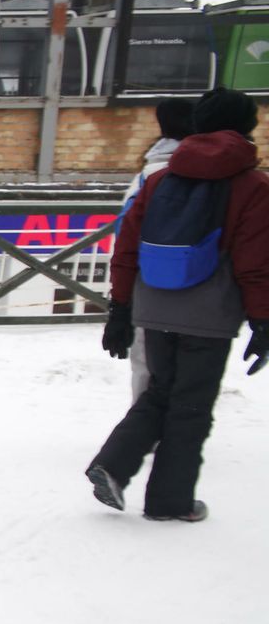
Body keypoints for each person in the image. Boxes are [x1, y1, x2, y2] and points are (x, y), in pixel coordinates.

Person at [85, 88, 269, 523]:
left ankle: (112, 464)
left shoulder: (160, 179)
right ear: (245, 128)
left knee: (159, 392)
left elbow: (126, 247)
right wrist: (262, 319)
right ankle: (171, 502)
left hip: (154, 304)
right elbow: (255, 261)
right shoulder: (254, 186)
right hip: (210, 313)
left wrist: (121, 309)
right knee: (191, 407)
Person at [120, 97, 196, 400]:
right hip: (193, 284)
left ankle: (145, 421)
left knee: (147, 360)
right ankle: (158, 424)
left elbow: (123, 234)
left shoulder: (148, 171)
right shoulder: (169, 172)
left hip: (148, 282)